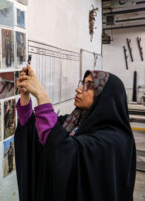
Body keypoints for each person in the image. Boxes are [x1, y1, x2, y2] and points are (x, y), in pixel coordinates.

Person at [15, 66, 136, 201]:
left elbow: (64, 150)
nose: (78, 89)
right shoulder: (73, 121)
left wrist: (42, 97)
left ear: (104, 96)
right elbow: (38, 133)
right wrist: (25, 96)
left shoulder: (114, 140)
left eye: (89, 86)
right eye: (82, 84)